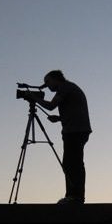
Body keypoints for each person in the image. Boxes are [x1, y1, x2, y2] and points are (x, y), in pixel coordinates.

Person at [28, 70, 91, 204]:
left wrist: (34, 98)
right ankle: (74, 196)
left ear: (56, 79)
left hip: (75, 131)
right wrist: (59, 118)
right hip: (76, 130)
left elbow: (51, 106)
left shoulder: (64, 87)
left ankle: (75, 196)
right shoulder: (69, 87)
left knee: (72, 164)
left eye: (48, 82)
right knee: (72, 163)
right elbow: (75, 111)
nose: (46, 85)